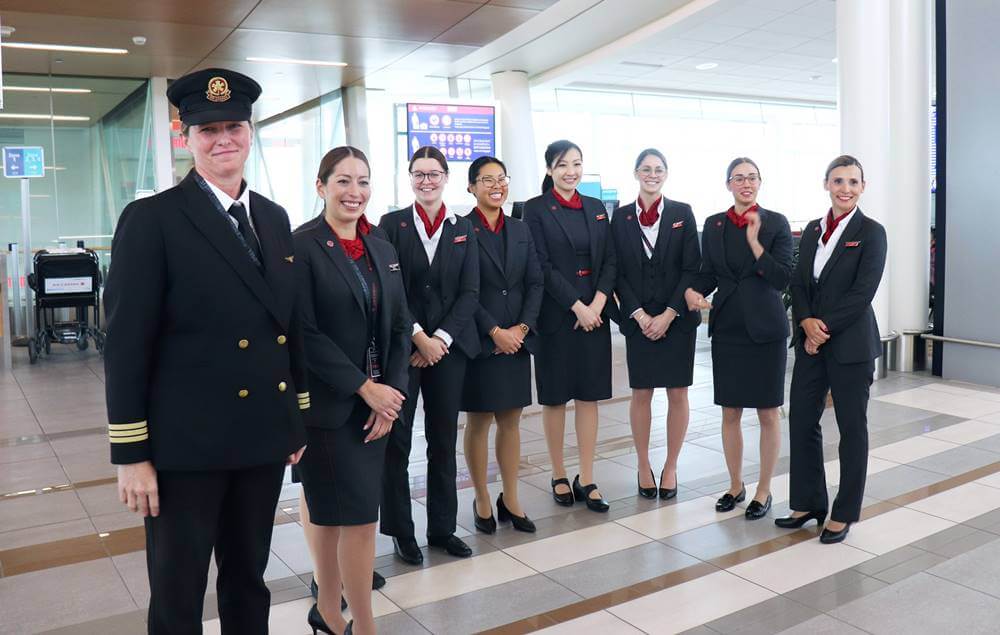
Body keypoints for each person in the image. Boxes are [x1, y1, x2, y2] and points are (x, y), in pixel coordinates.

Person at [104, 68, 308, 634]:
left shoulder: (272, 217)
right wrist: (131, 454)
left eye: (234, 127)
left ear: (251, 131)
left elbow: (284, 328)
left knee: (249, 579)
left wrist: (293, 421)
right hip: (183, 449)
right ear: (184, 135)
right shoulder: (153, 220)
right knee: (178, 589)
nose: (224, 139)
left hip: (261, 439)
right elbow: (125, 345)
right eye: (208, 128)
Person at [293, 146, 411, 635]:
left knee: (356, 516)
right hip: (331, 407)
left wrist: (392, 396)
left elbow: (401, 325)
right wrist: (366, 389)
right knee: (339, 517)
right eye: (343, 181)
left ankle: (335, 615)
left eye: (363, 181)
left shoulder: (382, 247)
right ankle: (357, 624)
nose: (354, 192)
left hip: (378, 406)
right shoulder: (301, 246)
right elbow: (304, 332)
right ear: (321, 187)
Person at [776, 155, 887, 544]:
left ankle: (844, 511)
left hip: (849, 345)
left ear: (862, 187)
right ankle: (808, 502)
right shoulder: (811, 230)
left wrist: (821, 328)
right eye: (838, 181)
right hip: (811, 343)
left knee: (851, 429)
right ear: (826, 183)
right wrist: (805, 322)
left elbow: (863, 292)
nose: (845, 188)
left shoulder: (871, 232)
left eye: (853, 182)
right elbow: (799, 282)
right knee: (802, 420)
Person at [379, 146, 480, 563]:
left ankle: (442, 528)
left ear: (445, 177)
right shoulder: (391, 225)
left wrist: (439, 340)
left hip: (447, 352)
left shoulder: (463, 228)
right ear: (410, 178)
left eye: (433, 174)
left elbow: (470, 292)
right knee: (397, 444)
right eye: (418, 174)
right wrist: (419, 336)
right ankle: (402, 532)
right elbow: (391, 291)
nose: (426, 181)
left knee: (443, 440)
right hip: (404, 350)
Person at [686, 157, 793, 521]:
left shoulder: (775, 223)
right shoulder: (714, 224)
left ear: (760, 182)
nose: (746, 184)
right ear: (728, 184)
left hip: (765, 329)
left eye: (752, 178)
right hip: (728, 326)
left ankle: (764, 489)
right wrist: (692, 292)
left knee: (767, 412)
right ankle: (735, 484)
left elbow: (782, 278)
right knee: (730, 411)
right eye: (738, 178)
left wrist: (754, 242)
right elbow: (708, 273)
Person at [523, 140, 618, 513]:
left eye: (577, 164)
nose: (571, 171)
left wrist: (597, 303)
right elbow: (540, 265)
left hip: (594, 314)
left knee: (589, 396)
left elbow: (610, 260)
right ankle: (559, 473)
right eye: (563, 165)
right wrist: (577, 305)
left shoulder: (596, 208)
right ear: (549, 169)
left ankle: (588, 476)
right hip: (557, 316)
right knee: (555, 397)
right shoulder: (535, 209)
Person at [610, 149, 701, 500]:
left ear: (666, 174)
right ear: (636, 173)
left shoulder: (682, 213)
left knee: (678, 393)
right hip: (639, 321)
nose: (652, 174)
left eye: (659, 169)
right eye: (646, 169)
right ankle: (644, 463)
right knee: (642, 393)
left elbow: (692, 267)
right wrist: (639, 314)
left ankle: (672, 465)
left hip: (675, 320)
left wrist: (667, 314)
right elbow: (615, 271)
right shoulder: (620, 218)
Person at [460, 156, 543, 534]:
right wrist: (495, 331)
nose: (496, 185)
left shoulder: (521, 229)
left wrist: (521, 328)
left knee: (512, 420)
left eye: (502, 179)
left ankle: (510, 497)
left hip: (517, 339)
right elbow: (461, 291)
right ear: (471, 187)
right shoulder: (460, 231)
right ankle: (481, 497)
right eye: (487, 180)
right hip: (481, 342)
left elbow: (534, 282)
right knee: (479, 422)